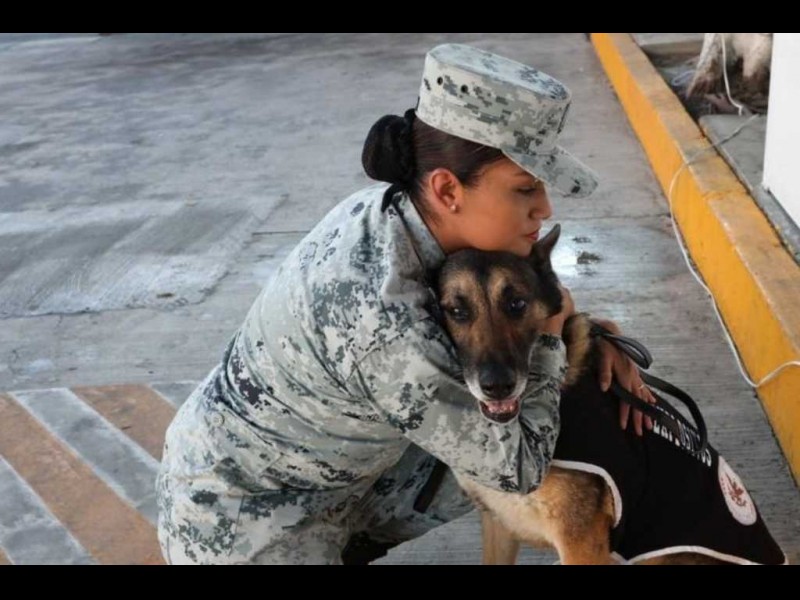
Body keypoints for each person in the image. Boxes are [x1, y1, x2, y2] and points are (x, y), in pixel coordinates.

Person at [155, 42, 657, 565]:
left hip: (343, 471)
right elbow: (520, 469)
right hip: (247, 517)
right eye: (524, 189)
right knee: (511, 450)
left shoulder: (405, 212)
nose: (544, 208)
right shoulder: (383, 317)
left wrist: (593, 337)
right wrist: (554, 340)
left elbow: (507, 300)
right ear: (448, 190)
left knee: (505, 427)